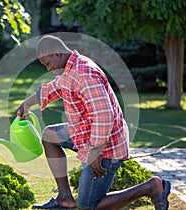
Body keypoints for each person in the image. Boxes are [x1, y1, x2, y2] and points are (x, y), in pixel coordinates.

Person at [14, 35, 171, 210]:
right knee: (50, 136)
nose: (47, 68)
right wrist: (26, 104)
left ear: (56, 54)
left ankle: (152, 187)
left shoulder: (84, 73)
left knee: (88, 207)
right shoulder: (69, 70)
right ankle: (65, 197)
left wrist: (94, 152)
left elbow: (104, 116)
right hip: (84, 134)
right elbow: (52, 89)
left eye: (47, 63)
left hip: (105, 146)